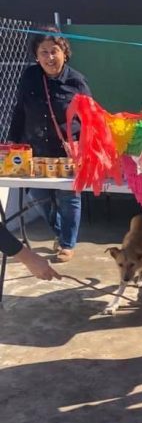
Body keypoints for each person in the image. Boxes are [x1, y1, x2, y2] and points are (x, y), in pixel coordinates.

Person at [8, 28, 92, 263]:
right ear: (37, 55)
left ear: (64, 52)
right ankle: (59, 231)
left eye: (54, 51)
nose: (49, 57)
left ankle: (67, 244)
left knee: (69, 198)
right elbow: (19, 109)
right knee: (38, 198)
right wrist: (13, 140)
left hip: (67, 152)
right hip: (34, 150)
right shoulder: (30, 77)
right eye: (43, 52)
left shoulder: (77, 81)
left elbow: (90, 119)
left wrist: (86, 148)